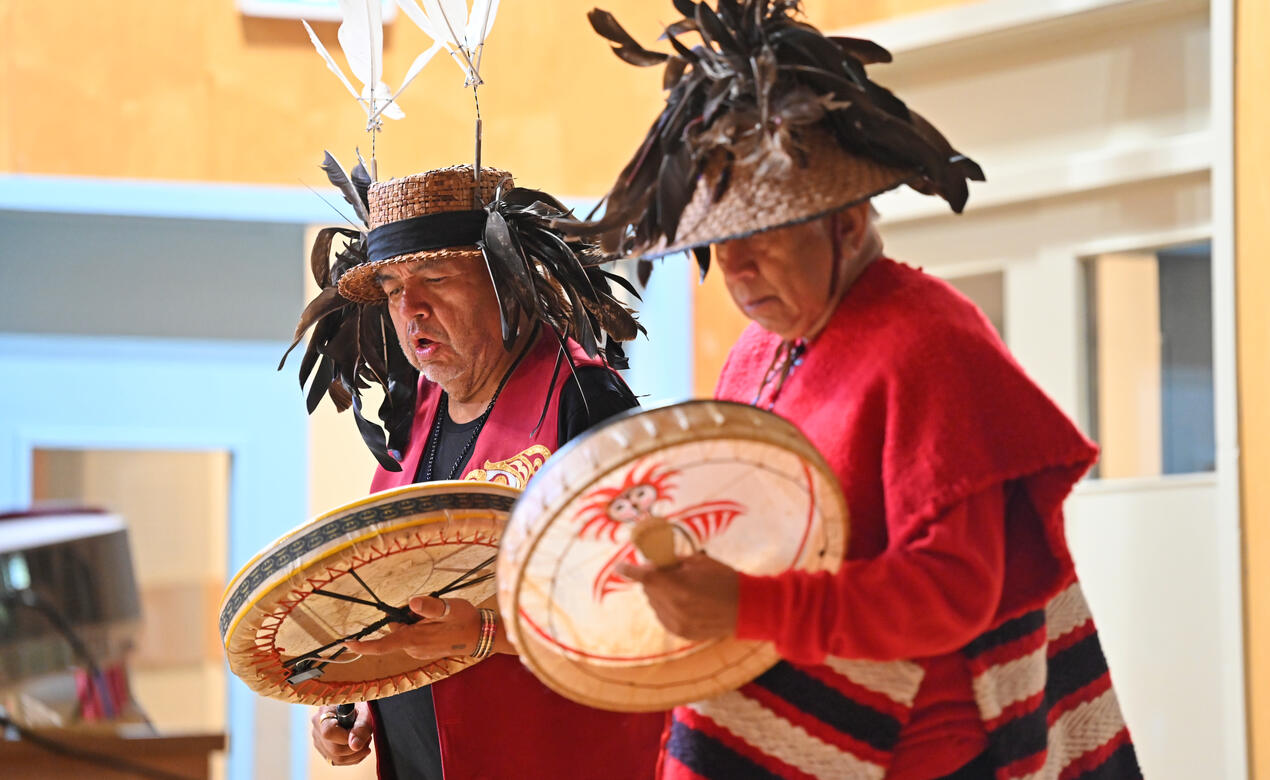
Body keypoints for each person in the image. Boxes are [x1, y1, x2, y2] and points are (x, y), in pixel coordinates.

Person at [570, 2, 1144, 778]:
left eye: (760, 234)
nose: (735, 269)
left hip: (925, 755)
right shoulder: (755, 351)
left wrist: (747, 608)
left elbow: (953, 591)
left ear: (843, 222)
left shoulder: (931, 340)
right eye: (718, 244)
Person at [287, 163, 664, 779]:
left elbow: (646, 605)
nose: (410, 307)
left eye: (435, 276)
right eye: (391, 286)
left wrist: (490, 634)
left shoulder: (582, 399)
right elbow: (395, 592)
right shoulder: (416, 409)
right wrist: (356, 693)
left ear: (506, 282)